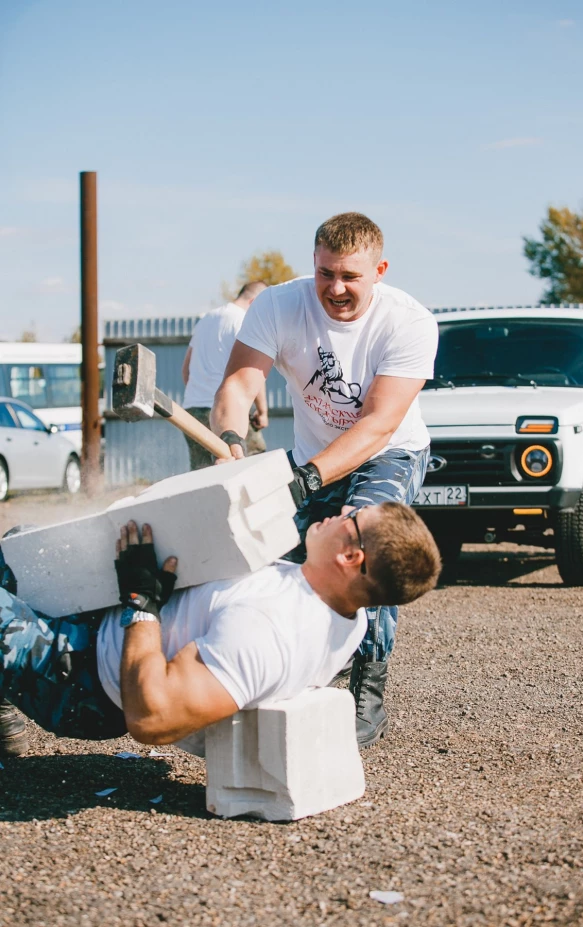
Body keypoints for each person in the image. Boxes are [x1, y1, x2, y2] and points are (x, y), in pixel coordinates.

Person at [210, 213, 439, 747]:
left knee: (366, 548)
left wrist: (306, 481)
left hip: (390, 452)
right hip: (314, 454)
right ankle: (285, 667)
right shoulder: (277, 305)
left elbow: (379, 423)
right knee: (269, 551)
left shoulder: (409, 322)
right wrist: (232, 442)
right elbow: (240, 384)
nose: (335, 288)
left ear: (378, 270)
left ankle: (367, 689)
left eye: (350, 277)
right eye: (325, 273)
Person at [0, 503, 440, 758]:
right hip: (105, 628)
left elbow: (151, 718)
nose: (343, 510)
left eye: (355, 516)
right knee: (24, 544)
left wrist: (142, 603)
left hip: (78, 677)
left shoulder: (269, 630)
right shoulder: (349, 614)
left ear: (350, 558)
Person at [182, 281, 269, 469]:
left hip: (192, 411)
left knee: (201, 474)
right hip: (227, 411)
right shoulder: (244, 320)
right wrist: (262, 411)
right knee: (249, 465)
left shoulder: (205, 320)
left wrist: (200, 395)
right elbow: (252, 373)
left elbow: (186, 370)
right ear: (254, 302)